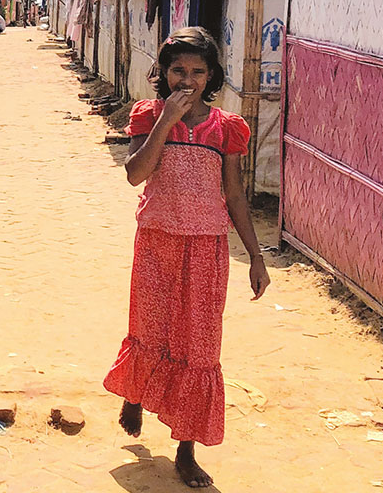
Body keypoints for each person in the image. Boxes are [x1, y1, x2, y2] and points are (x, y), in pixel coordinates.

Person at [102, 27, 270, 489]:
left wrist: (256, 257)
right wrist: (165, 122)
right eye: (179, 70)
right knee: (149, 328)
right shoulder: (147, 115)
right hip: (157, 240)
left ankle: (186, 448)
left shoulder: (227, 128)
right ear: (164, 73)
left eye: (198, 71)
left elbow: (234, 195)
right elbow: (136, 175)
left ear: (212, 75)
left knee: (200, 344)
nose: (188, 79)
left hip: (207, 247)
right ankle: (135, 394)